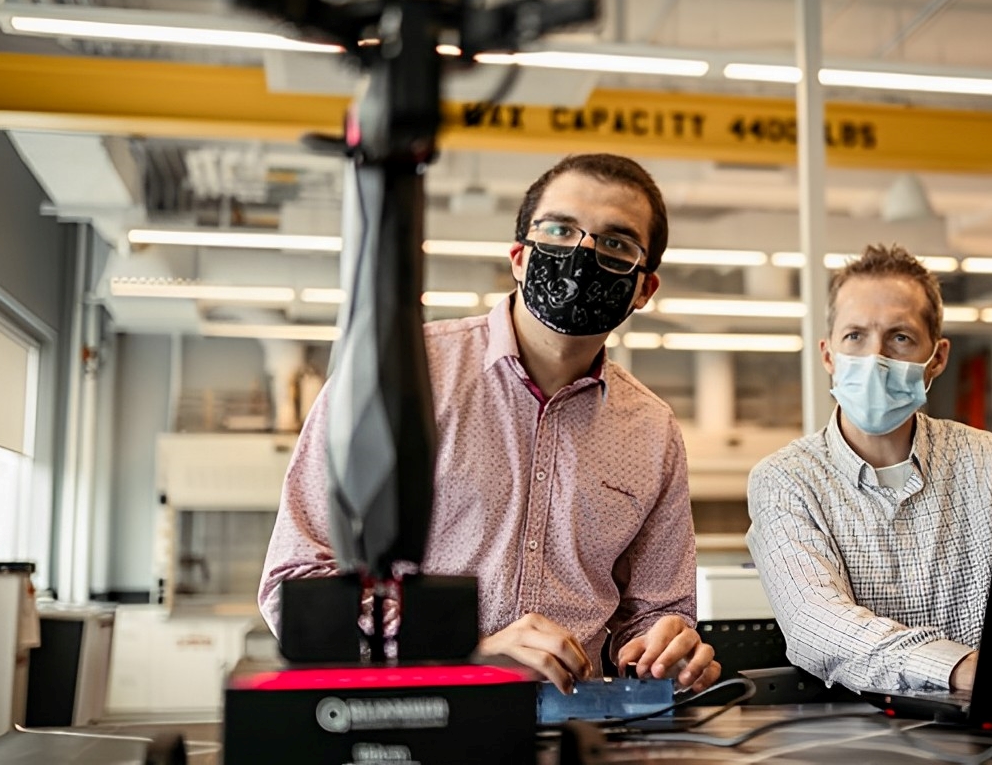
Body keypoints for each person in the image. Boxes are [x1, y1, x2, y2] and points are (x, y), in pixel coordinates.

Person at [260, 153, 720, 693]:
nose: (582, 254)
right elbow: (295, 583)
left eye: (616, 244)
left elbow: (652, 614)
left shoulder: (651, 430)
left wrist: (667, 649)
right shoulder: (397, 379)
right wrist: (462, 652)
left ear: (644, 289)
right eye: (560, 230)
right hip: (414, 719)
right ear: (520, 257)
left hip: (572, 729)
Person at [746, 244, 992, 695]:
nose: (875, 358)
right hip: (858, 734)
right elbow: (816, 623)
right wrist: (957, 667)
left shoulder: (986, 461)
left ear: (937, 357)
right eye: (855, 336)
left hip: (990, 725)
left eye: (900, 337)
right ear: (829, 355)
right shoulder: (785, 479)